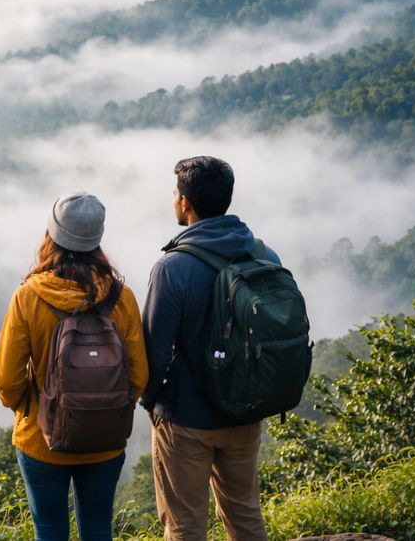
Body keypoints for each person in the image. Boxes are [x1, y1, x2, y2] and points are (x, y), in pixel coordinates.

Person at [0, 190, 148, 541]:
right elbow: (138, 375)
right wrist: (106, 406)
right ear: (98, 238)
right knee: (97, 528)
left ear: (51, 235)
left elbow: (7, 378)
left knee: (49, 530)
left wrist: (31, 408)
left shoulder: (29, 296)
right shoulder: (121, 297)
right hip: (106, 439)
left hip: (41, 439)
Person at [139, 156, 277, 541]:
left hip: (186, 420)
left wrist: (153, 403)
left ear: (185, 203)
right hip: (245, 412)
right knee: (245, 514)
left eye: (174, 194)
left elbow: (155, 350)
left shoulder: (173, 269)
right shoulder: (263, 255)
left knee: (184, 525)